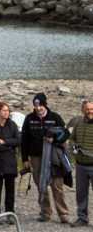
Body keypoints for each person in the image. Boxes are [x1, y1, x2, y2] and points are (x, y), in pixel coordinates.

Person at [21, 93, 70, 222]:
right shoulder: (29, 119)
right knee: (40, 183)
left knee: (57, 184)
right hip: (36, 156)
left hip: (53, 155)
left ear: (45, 105)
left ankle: (63, 213)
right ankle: (46, 212)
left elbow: (66, 133)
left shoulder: (55, 117)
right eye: (36, 105)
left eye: (40, 105)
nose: (38, 108)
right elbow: (24, 140)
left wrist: (55, 140)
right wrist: (24, 159)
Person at [0, 101, 21, 218]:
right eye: (4, 110)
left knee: (10, 188)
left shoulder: (12, 124)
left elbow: (18, 140)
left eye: (7, 110)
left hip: (10, 161)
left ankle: (10, 212)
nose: (6, 113)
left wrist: (5, 142)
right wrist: (9, 147)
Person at [67, 99, 93, 227]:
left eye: (92, 109)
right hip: (81, 165)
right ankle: (82, 218)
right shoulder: (78, 124)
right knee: (81, 193)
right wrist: (74, 146)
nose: (90, 111)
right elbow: (71, 139)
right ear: (82, 110)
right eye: (87, 109)